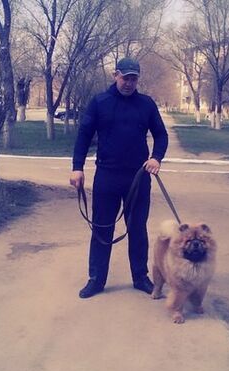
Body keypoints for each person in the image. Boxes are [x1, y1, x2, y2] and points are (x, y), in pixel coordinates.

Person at [69, 57, 169, 299]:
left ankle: (140, 277)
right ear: (115, 75)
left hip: (138, 178)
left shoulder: (146, 104)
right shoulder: (99, 102)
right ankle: (96, 279)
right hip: (107, 176)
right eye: (125, 78)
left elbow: (161, 135)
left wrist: (156, 158)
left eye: (133, 79)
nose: (129, 83)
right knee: (102, 229)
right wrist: (77, 167)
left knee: (137, 229)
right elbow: (84, 135)